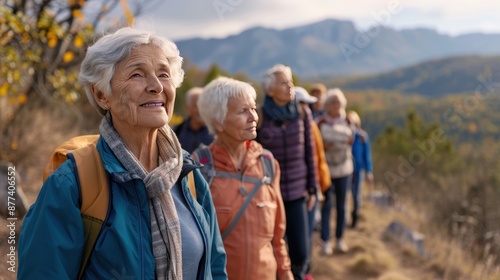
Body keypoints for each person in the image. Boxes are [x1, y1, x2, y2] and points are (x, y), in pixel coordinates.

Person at [18, 27, 227, 279]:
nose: (156, 86)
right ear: (101, 94)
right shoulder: (72, 184)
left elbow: (214, 269)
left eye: (164, 74)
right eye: (137, 74)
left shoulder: (189, 177)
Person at [193, 76, 293, 280]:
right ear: (218, 122)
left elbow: (278, 235)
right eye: (242, 111)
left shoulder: (267, 164)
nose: (253, 117)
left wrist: (285, 272)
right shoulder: (199, 168)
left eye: (253, 109)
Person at [256, 64, 318, 280]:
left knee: (301, 251)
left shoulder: (302, 113)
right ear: (270, 90)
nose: (290, 86)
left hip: (297, 193)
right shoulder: (260, 116)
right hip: (269, 195)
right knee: (274, 248)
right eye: (284, 82)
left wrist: (313, 187)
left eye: (291, 81)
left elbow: (310, 152)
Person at [294, 87, 332, 280]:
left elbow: (316, 158)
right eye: (304, 104)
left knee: (306, 235)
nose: (308, 107)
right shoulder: (298, 127)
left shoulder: (310, 126)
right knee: (301, 236)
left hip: (309, 189)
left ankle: (305, 271)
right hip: (299, 191)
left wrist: (315, 187)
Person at [316, 88, 353, 254]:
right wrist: (324, 146)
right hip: (326, 171)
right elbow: (315, 146)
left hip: (344, 169)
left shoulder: (348, 122)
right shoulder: (320, 123)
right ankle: (325, 240)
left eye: (339, 102)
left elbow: (352, 142)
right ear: (327, 105)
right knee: (327, 205)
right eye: (333, 102)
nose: (336, 105)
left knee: (342, 206)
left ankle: (339, 238)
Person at [346, 110, 374, 228]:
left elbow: (366, 155)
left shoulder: (362, 137)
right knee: (345, 196)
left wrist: (369, 171)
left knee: (356, 195)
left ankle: (355, 218)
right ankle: (344, 218)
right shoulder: (345, 135)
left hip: (358, 170)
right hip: (347, 170)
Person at [174, 87, 214, 153]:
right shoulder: (178, 130)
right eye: (197, 105)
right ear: (187, 108)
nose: (201, 110)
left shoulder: (216, 132)